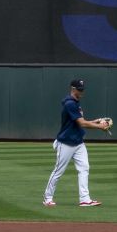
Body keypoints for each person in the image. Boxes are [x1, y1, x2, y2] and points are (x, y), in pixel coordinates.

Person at [43, 78, 111, 207]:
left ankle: (85, 199)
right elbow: (82, 123)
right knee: (58, 171)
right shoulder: (70, 104)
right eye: (79, 90)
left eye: (82, 89)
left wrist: (95, 121)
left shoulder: (76, 103)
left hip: (78, 142)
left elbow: (82, 121)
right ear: (73, 89)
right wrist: (100, 127)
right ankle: (47, 198)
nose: (82, 92)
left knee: (84, 168)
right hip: (66, 143)